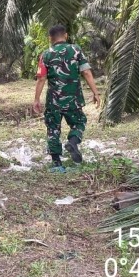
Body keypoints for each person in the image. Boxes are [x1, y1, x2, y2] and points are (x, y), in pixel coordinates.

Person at [33, 25, 100, 169]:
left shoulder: (46, 54)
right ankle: (73, 141)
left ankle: (57, 163)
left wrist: (36, 99)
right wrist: (95, 92)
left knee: (53, 129)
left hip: (54, 100)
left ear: (50, 38)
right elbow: (86, 72)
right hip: (73, 98)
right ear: (66, 35)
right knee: (79, 122)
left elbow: (41, 79)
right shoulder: (76, 50)